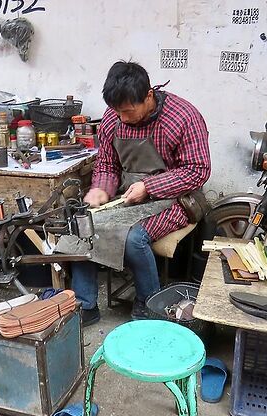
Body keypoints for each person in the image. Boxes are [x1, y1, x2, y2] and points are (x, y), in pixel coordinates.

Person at [73, 61, 211, 326]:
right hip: (129, 196)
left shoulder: (184, 117)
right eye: (117, 111)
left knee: (134, 238)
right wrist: (101, 188)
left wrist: (150, 187)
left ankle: (149, 304)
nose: (122, 118)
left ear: (148, 95)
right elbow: (107, 164)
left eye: (128, 111)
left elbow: (197, 171)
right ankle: (85, 305)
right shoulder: (115, 116)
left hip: (178, 198)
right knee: (83, 226)